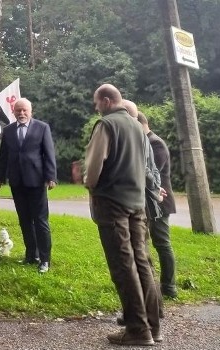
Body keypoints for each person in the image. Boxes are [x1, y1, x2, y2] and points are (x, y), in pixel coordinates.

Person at [84, 84, 161, 346]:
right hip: (136, 203)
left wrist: (87, 182)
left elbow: (94, 169)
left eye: (97, 103)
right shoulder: (138, 127)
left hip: (112, 203)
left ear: (106, 101)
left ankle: (137, 330)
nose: (96, 108)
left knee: (123, 265)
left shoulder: (106, 125)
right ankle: (153, 326)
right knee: (142, 262)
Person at [0, 98, 57, 273]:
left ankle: (45, 260)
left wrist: (51, 177)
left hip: (36, 181)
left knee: (41, 221)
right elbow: (3, 156)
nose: (21, 113)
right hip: (17, 181)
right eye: (18, 110)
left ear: (31, 111)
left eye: (25, 110)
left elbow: (49, 154)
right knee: (24, 220)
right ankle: (31, 255)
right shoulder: (8, 131)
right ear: (13, 112)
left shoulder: (42, 128)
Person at [138, 112, 178, 298]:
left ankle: (169, 287)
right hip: (151, 200)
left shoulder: (155, 143)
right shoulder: (147, 141)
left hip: (160, 201)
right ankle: (153, 284)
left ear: (140, 124)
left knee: (162, 243)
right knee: (149, 242)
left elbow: (156, 171)